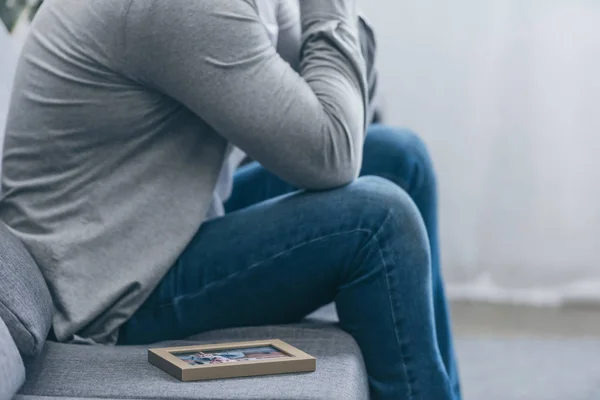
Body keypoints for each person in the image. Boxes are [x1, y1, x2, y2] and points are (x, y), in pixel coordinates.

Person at [0, 1, 458, 399]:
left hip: (164, 223)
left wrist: (334, 18)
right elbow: (330, 153)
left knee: (399, 157)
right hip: (106, 285)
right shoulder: (182, 6)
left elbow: (338, 100)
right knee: (379, 222)